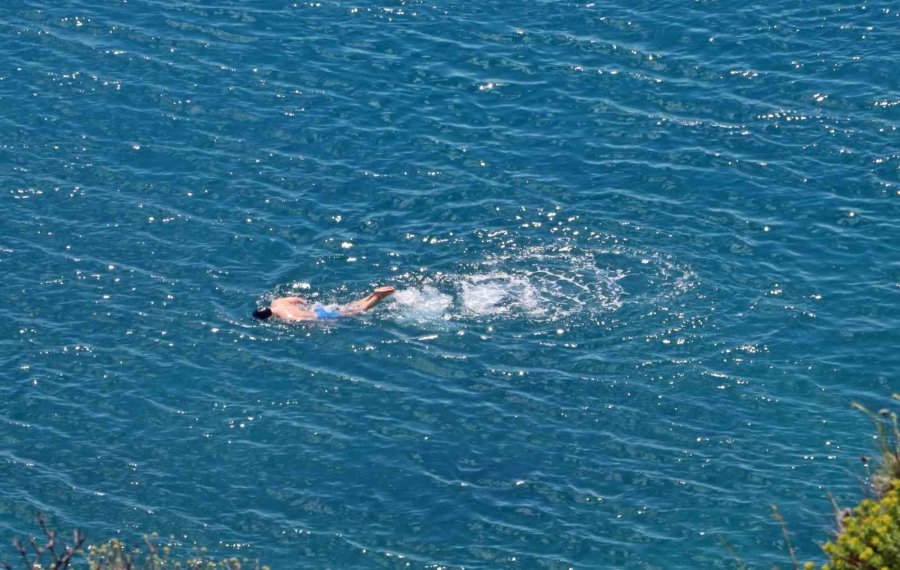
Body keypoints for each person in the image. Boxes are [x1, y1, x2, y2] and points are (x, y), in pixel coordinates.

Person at [253, 286, 395, 322]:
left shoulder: (286, 317)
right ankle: (372, 294)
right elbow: (298, 299)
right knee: (349, 307)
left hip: (320, 315)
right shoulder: (278, 302)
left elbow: (307, 320)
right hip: (318, 308)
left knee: (356, 311)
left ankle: (378, 296)